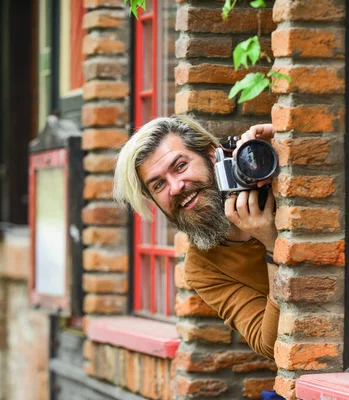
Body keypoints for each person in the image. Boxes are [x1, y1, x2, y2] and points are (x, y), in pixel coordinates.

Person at [113, 115, 280, 360]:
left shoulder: (269, 173)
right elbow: (270, 344)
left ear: (212, 155)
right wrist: (273, 246)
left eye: (180, 166)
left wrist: (287, 141)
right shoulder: (202, 265)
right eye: (159, 185)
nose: (176, 186)